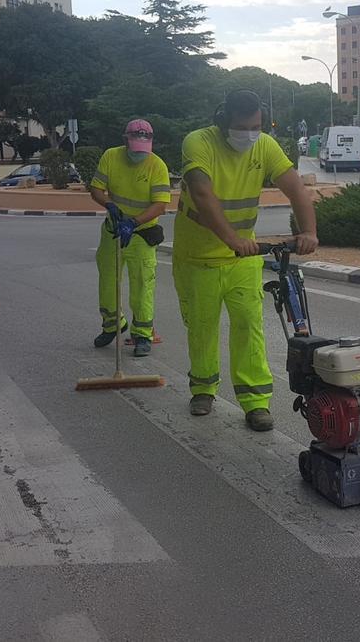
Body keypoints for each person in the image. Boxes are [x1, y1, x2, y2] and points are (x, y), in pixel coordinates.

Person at [173, 89, 318, 431]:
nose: (250, 134)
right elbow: (202, 193)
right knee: (203, 326)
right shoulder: (199, 143)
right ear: (223, 122)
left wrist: (308, 231)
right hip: (198, 256)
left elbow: (295, 188)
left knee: (248, 327)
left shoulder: (264, 145)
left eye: (256, 126)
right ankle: (204, 389)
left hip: (243, 258)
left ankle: (255, 402)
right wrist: (233, 240)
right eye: (243, 127)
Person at [88, 119, 171, 356]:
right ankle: (113, 325)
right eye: (135, 147)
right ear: (125, 140)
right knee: (108, 281)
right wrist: (109, 204)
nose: (139, 154)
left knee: (142, 285)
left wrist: (133, 223)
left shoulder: (157, 165)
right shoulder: (111, 157)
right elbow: (96, 189)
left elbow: (160, 205)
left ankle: (142, 335)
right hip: (113, 231)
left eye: (144, 148)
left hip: (141, 234)